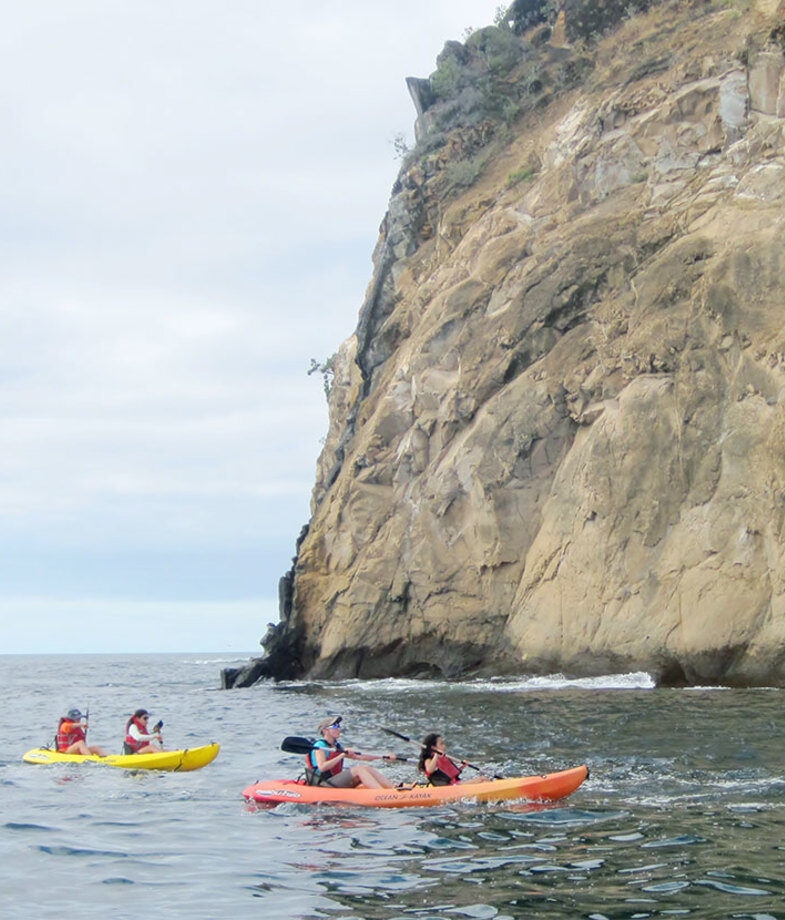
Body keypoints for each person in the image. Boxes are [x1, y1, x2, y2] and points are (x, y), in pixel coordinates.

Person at [305, 716, 398, 789]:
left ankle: (392, 789)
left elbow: (360, 757)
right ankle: (381, 794)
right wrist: (341, 755)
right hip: (322, 783)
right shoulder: (320, 746)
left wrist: (383, 757)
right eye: (335, 726)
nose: (339, 729)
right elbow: (322, 767)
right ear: (325, 731)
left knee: (366, 768)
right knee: (358, 770)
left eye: (339, 726)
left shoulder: (336, 746)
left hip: (333, 781)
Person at [418, 733, 487, 785]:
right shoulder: (428, 760)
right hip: (449, 787)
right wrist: (436, 755)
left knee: (484, 779)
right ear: (433, 748)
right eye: (441, 744)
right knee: (482, 779)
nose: (444, 746)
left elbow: (449, 774)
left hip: (454, 783)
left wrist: (462, 767)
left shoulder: (443, 758)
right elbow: (430, 770)